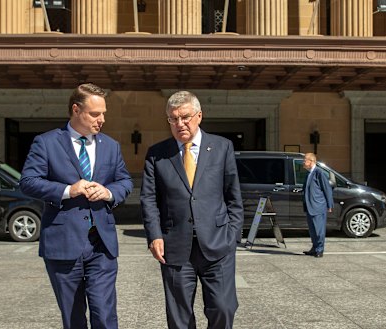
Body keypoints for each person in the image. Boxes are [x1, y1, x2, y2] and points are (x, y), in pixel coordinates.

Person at [20, 83, 133, 329]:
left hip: (101, 244)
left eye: (104, 113)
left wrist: (109, 192)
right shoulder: (46, 142)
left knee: (104, 315)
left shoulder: (110, 145)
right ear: (76, 110)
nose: (102, 119)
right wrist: (68, 190)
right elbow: (28, 182)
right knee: (73, 319)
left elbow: (125, 181)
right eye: (95, 113)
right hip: (63, 242)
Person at [140, 91, 244, 329]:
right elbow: (149, 199)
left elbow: (233, 195)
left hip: (218, 244)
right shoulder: (157, 154)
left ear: (199, 116)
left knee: (223, 308)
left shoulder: (222, 147)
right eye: (173, 119)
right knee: (179, 318)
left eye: (185, 117)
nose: (179, 124)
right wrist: (155, 235)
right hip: (175, 246)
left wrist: (233, 234)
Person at [302, 153, 333, 258]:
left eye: (305, 160)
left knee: (319, 230)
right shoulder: (308, 173)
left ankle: (320, 249)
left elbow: (327, 189)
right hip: (309, 206)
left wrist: (329, 204)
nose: (303, 162)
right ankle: (314, 248)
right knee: (312, 230)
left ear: (311, 161)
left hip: (318, 206)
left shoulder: (319, 172)